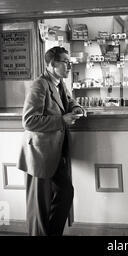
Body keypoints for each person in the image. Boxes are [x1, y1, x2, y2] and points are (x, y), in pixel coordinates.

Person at [17, 46, 86, 236]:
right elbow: (29, 121)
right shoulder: (39, 85)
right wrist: (61, 120)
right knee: (39, 206)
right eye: (65, 62)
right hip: (39, 153)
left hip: (54, 153)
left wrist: (77, 107)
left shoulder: (59, 83)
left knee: (65, 193)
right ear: (52, 64)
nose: (69, 66)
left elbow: (68, 101)